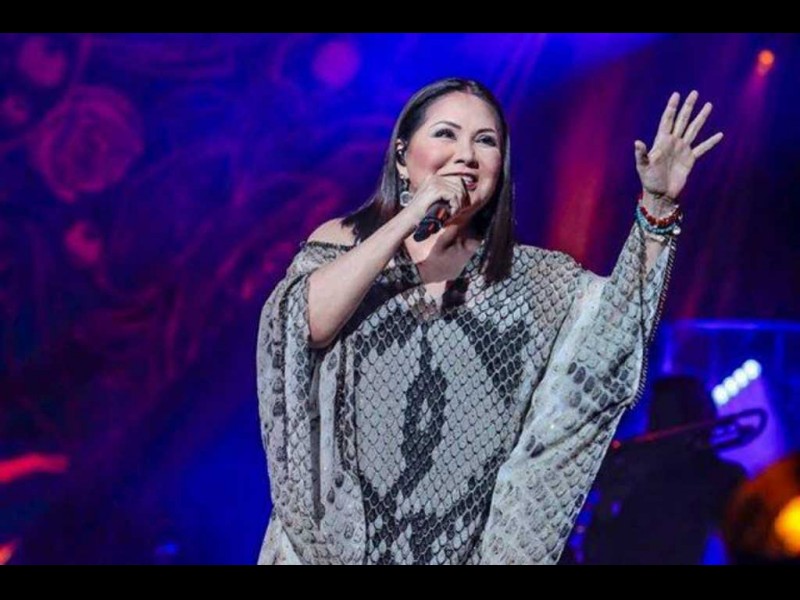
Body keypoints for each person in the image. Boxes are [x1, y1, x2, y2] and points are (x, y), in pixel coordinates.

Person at [255, 77, 723, 564]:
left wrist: (657, 209)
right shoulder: (345, 241)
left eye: (485, 141)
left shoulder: (536, 281)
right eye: (446, 134)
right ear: (402, 155)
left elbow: (612, 338)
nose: (466, 155)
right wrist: (411, 216)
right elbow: (300, 328)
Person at [575, 375, 748, 565]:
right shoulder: (638, 473)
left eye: (663, 418)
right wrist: (607, 503)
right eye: (654, 418)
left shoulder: (720, 477)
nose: (652, 429)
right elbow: (598, 555)